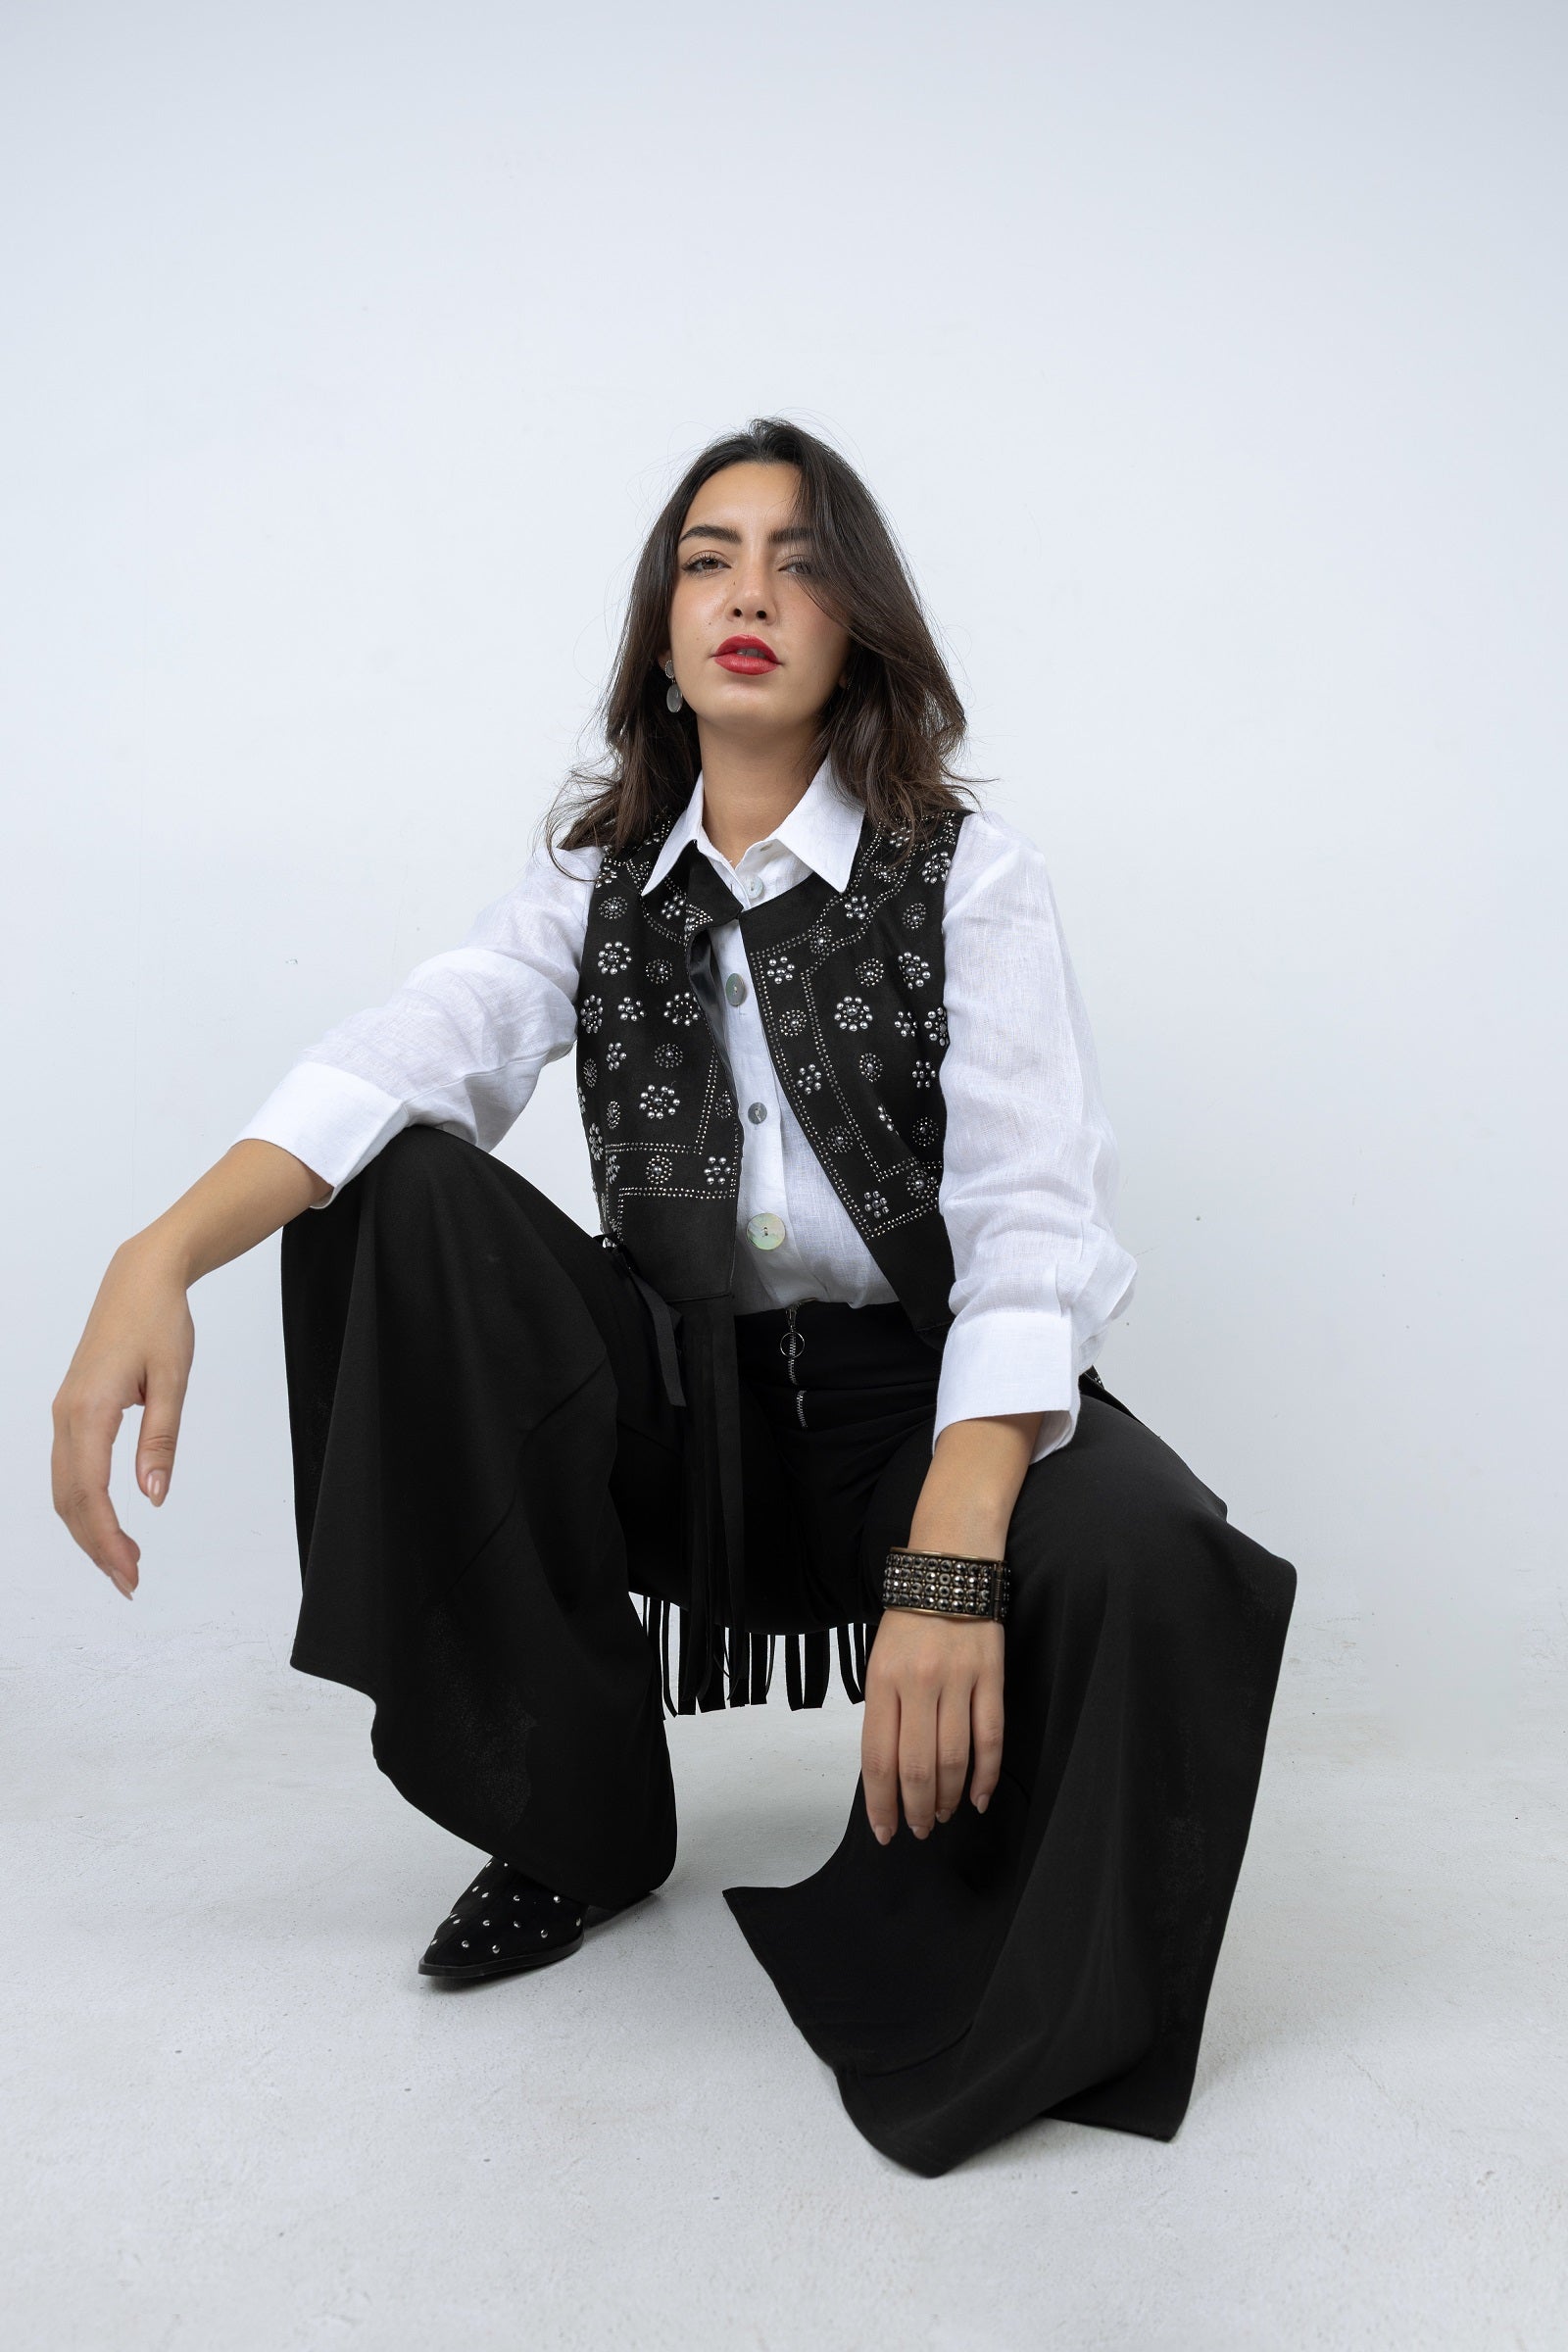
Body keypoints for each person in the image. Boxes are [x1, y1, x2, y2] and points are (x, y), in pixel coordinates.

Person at [51, 416, 1297, 2178]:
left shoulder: (971, 881)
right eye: (710, 558)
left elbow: (1032, 1222)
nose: (751, 595)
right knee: (389, 1192)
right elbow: (406, 1050)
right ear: (660, 630)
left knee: (1159, 1552)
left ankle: (974, 1938)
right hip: (675, 1413)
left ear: (859, 622)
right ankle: (574, 1820)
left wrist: (957, 1544)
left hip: (910, 1423)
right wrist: (153, 1254)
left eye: (801, 562)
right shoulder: (595, 886)